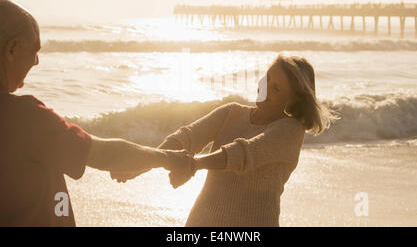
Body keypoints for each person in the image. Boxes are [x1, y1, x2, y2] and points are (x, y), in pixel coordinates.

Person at [0, 0, 193, 227]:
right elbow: (104, 154)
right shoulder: (25, 118)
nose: (37, 61)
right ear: (12, 49)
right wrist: (168, 158)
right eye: (34, 50)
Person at [117, 54, 336, 226]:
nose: (265, 88)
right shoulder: (231, 113)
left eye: (276, 89)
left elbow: (242, 154)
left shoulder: (289, 130)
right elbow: (186, 137)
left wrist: (193, 165)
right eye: (267, 79)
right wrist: (142, 165)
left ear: (294, 100)